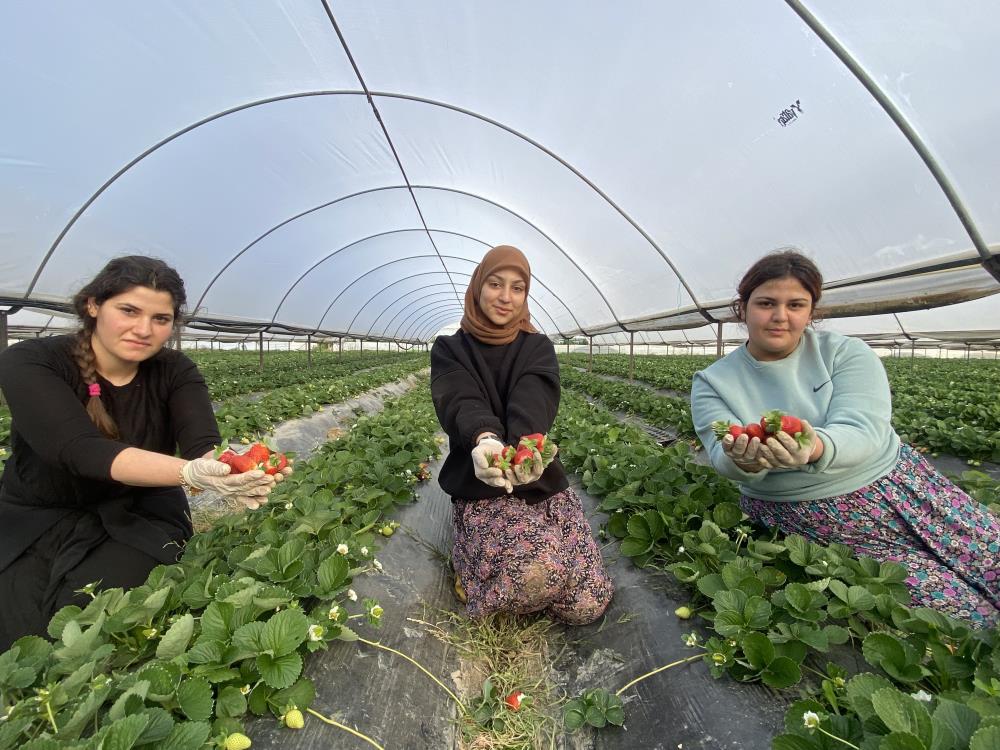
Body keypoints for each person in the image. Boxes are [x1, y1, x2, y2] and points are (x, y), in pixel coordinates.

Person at [691, 249, 999, 627]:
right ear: (743, 307)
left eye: (796, 304)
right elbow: (720, 454)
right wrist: (745, 459)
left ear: (812, 310)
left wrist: (815, 445)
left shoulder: (846, 353)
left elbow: (864, 429)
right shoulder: (713, 381)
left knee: (991, 554)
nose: (780, 316)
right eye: (766, 303)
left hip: (901, 486)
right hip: (806, 510)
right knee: (957, 612)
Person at [0, 255, 285, 650]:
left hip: (140, 515)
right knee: (16, 625)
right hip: (38, 512)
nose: (143, 329)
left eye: (160, 319)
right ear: (93, 305)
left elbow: (203, 444)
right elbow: (78, 450)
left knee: (89, 620)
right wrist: (188, 474)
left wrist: (228, 471)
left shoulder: (175, 371)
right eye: (129, 311)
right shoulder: (32, 361)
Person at [430, 245, 613, 625]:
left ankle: (531, 577)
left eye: (518, 288)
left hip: (539, 485)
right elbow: (460, 399)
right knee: (536, 575)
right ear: (478, 287)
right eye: (496, 284)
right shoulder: (451, 349)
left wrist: (525, 451)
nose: (505, 297)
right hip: (483, 486)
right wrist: (486, 440)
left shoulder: (537, 348)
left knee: (586, 604)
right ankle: (479, 568)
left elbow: (533, 402)